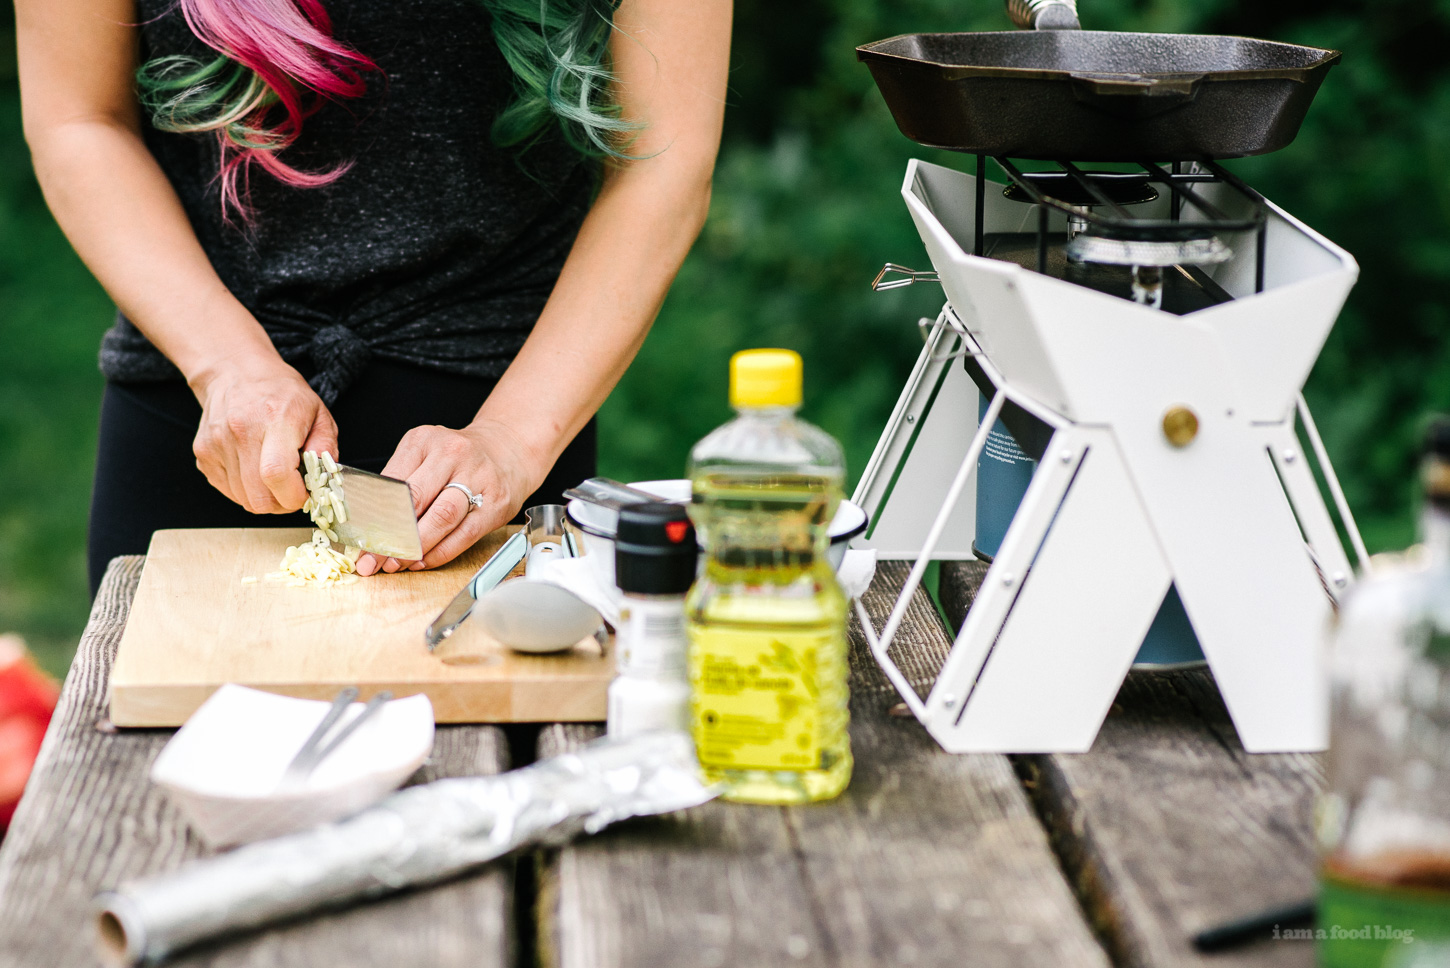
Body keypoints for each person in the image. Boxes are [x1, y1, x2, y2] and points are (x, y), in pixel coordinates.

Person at [15, 0, 731, 594]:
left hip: (498, 450)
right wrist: (226, 367)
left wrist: (510, 440)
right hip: (206, 425)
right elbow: (77, 119)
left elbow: (664, 159)